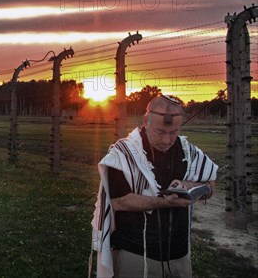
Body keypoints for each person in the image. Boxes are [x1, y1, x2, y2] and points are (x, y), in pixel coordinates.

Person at [90, 95, 218, 278]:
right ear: (145, 121)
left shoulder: (188, 151)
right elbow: (119, 201)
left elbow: (210, 186)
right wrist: (164, 202)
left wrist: (187, 186)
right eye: (160, 132)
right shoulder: (124, 154)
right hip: (135, 256)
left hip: (179, 256)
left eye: (173, 132)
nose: (167, 140)